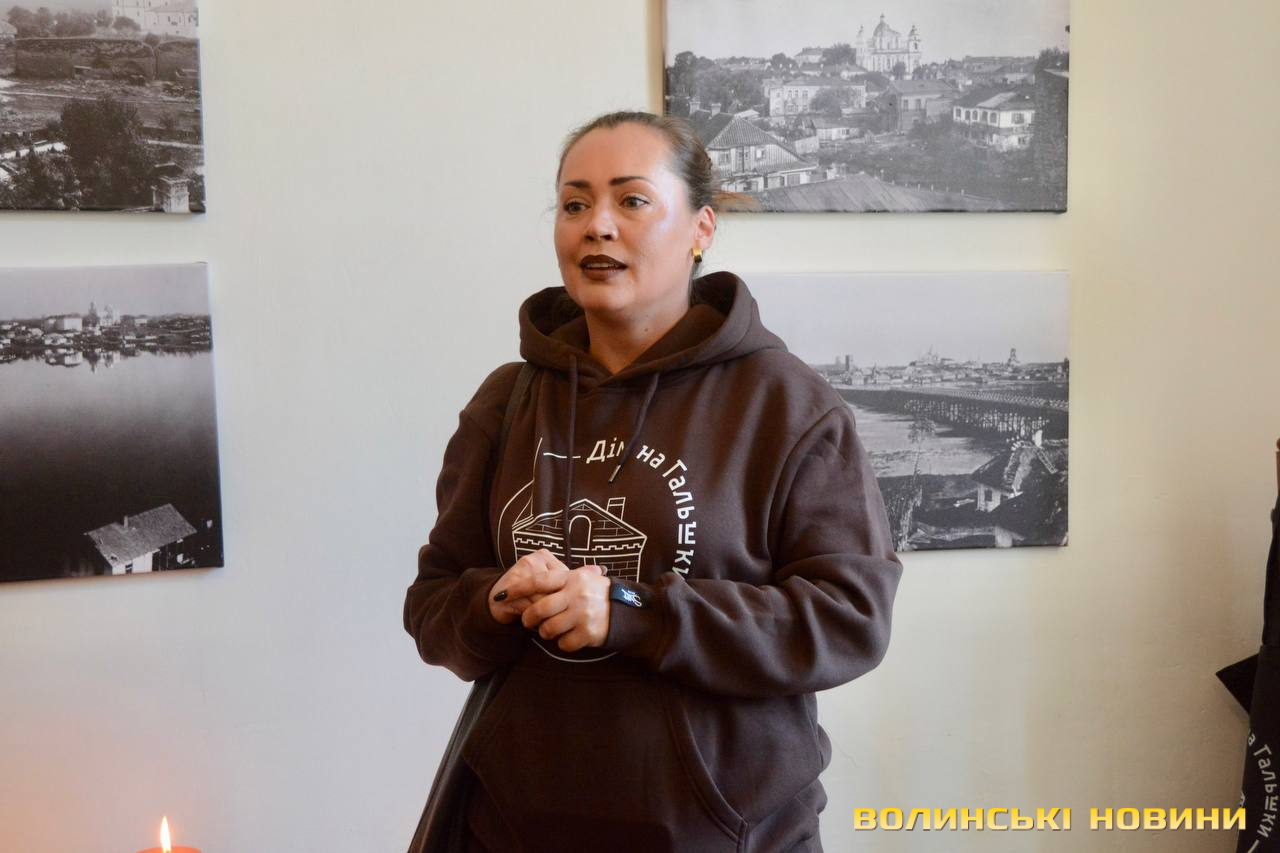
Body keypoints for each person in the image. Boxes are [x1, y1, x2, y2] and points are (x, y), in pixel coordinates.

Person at [404, 110, 902, 853]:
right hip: (511, 827)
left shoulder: (786, 404)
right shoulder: (506, 401)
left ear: (701, 228)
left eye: (631, 200)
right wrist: (495, 600)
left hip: (726, 832)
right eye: (574, 204)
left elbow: (849, 618)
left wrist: (635, 609)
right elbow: (433, 606)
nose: (596, 226)